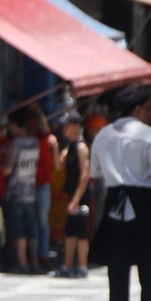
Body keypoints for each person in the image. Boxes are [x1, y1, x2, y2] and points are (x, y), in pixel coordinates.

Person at [88, 86, 151, 301]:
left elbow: (95, 174)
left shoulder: (103, 135)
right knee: (149, 261)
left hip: (115, 200)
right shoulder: (148, 136)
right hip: (143, 200)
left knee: (117, 264)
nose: (149, 113)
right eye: (147, 108)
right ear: (137, 109)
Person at [2, 112, 43, 274]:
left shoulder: (16, 144)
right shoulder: (35, 142)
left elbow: (8, 169)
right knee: (31, 228)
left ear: (15, 126)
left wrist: (1, 165)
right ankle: (33, 260)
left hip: (15, 191)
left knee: (18, 229)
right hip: (31, 189)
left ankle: (22, 262)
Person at [54, 113, 92, 278]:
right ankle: (67, 265)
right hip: (71, 195)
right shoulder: (69, 146)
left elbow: (85, 174)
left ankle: (82, 265)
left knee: (81, 232)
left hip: (81, 196)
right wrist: (55, 147)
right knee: (69, 231)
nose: (65, 130)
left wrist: (76, 200)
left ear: (75, 126)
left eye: (67, 126)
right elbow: (58, 165)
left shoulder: (81, 147)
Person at [29, 108, 58, 269]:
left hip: (43, 184)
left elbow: (46, 128)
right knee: (33, 222)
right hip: (29, 184)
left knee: (42, 221)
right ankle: (34, 256)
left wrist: (39, 110)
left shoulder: (47, 138)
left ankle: (43, 253)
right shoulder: (29, 139)